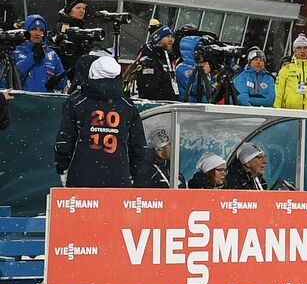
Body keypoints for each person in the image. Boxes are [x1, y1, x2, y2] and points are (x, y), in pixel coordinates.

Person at [54, 55, 146, 186]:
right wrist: (133, 173)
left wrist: (62, 168)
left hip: (81, 177)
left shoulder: (77, 103)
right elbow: (139, 147)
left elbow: (64, 141)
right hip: (118, 177)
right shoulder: (127, 106)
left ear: (93, 74)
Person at [5, 14, 67, 93]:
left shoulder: (52, 54)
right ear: (27, 31)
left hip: (46, 102)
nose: (37, 33)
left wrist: (56, 81)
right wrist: (32, 58)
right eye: (34, 29)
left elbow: (62, 84)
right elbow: (8, 79)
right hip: (22, 102)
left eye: (41, 30)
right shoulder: (14, 52)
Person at [133, 24, 179, 101]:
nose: (171, 40)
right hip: (158, 108)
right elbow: (149, 92)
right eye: (167, 37)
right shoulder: (149, 61)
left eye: (171, 36)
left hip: (168, 106)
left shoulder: (167, 57)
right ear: (158, 39)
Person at [274, 34, 307, 109]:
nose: (302, 51)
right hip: (290, 112)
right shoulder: (286, 69)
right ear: (294, 50)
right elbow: (278, 92)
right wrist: (276, 110)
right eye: (299, 48)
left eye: (305, 48)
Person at [175, 32, 216, 103]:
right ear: (190, 51)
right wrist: (206, 74)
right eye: (199, 50)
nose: (202, 54)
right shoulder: (182, 68)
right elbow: (196, 89)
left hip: (198, 106)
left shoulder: (199, 66)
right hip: (188, 107)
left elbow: (211, 89)